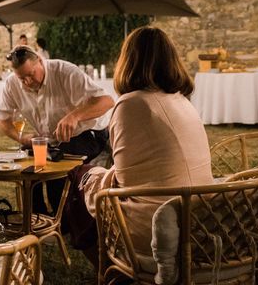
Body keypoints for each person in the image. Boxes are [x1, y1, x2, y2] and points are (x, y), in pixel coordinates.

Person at [80, 26, 214, 264]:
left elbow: (124, 181)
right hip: (203, 219)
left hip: (160, 228)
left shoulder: (131, 104)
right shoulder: (181, 100)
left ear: (128, 61)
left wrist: (92, 178)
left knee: (79, 184)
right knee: (87, 180)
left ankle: (114, 269)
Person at [0, 45, 114, 215]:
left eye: (30, 74)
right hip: (51, 139)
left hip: (89, 133)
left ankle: (63, 221)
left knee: (57, 171)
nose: (27, 82)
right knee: (26, 166)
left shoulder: (65, 72)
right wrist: (21, 138)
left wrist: (74, 116)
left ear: (40, 61)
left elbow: (106, 101)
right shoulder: (11, 84)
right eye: (22, 78)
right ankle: (36, 217)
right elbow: (2, 120)